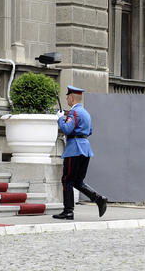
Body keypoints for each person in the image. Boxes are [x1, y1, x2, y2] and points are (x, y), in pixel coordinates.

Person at [53, 85, 108, 220]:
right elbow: (90, 131)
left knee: (67, 180)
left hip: (74, 149)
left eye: (67, 97)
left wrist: (60, 118)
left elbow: (66, 129)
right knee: (77, 181)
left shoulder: (74, 112)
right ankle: (99, 199)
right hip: (85, 148)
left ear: (72, 98)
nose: (66, 99)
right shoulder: (85, 113)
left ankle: (68, 211)